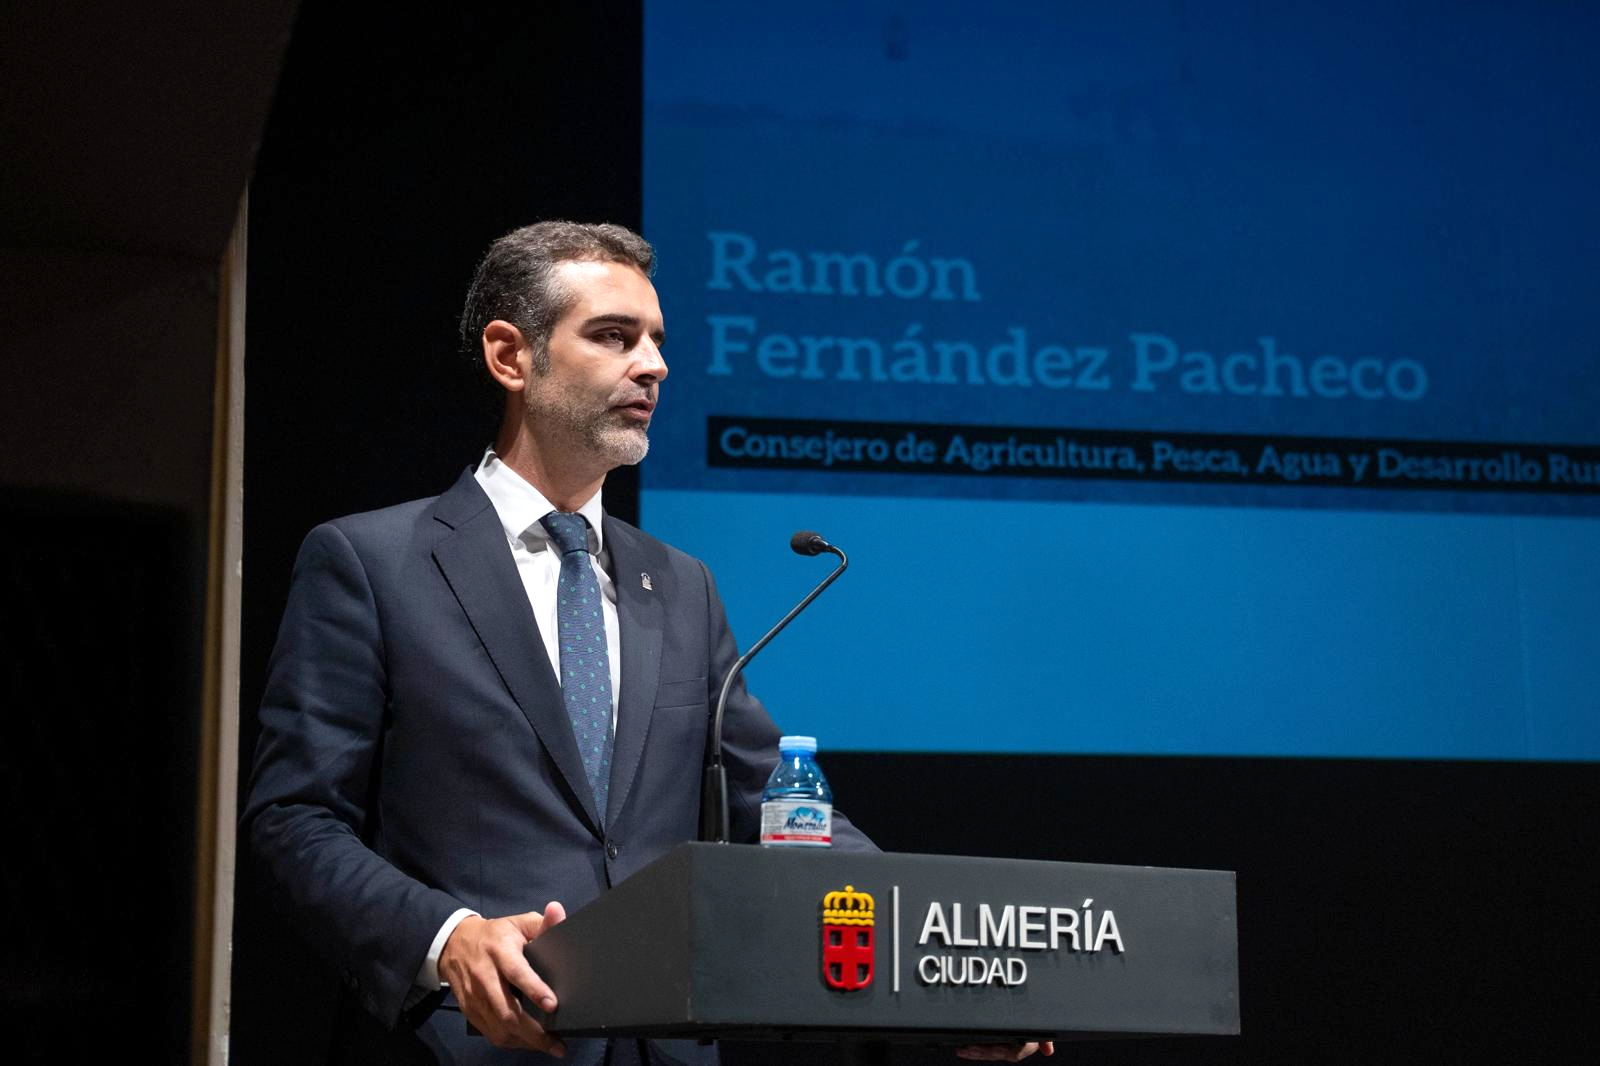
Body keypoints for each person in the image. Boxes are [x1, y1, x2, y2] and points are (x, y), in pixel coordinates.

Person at [243, 221, 1049, 1065]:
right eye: (613, 336)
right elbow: (295, 819)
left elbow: (782, 815)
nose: (654, 365)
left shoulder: (682, 585)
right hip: (474, 1042)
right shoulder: (371, 563)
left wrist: (935, 963)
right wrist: (445, 938)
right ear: (510, 357)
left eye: (657, 340)